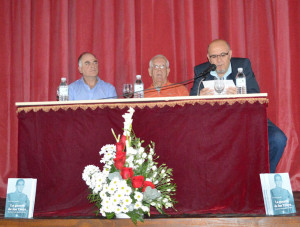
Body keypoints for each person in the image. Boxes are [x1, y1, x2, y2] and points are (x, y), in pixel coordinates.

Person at [190, 39, 287, 173]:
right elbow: (190, 102)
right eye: (213, 56)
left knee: (278, 138)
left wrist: (242, 94)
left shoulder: (243, 66)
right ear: (208, 58)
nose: (218, 60)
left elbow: (255, 94)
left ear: (230, 54)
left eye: (222, 55)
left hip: (247, 120)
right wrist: (198, 96)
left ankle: (264, 179)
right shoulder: (201, 72)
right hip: (216, 124)